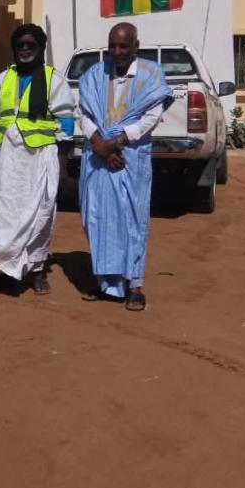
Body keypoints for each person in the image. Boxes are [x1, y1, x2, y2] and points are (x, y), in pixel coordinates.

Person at [79, 22, 172, 311]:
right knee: (97, 218)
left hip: (130, 158)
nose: (117, 51)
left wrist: (116, 141)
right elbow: (82, 113)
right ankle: (105, 282)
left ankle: (134, 286)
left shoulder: (151, 74)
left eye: (123, 46)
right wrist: (100, 145)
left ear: (136, 46)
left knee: (131, 220)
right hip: (97, 158)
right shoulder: (94, 74)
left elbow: (151, 118)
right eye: (113, 46)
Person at [0, 24, 74, 293]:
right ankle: (2, 267)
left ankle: (36, 269)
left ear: (41, 47)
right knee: (2, 213)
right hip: (4, 158)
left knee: (39, 214)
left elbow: (66, 122)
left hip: (38, 158)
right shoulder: (3, 78)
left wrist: (64, 165)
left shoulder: (54, 80)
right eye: (20, 44)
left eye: (31, 44)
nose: (25, 49)